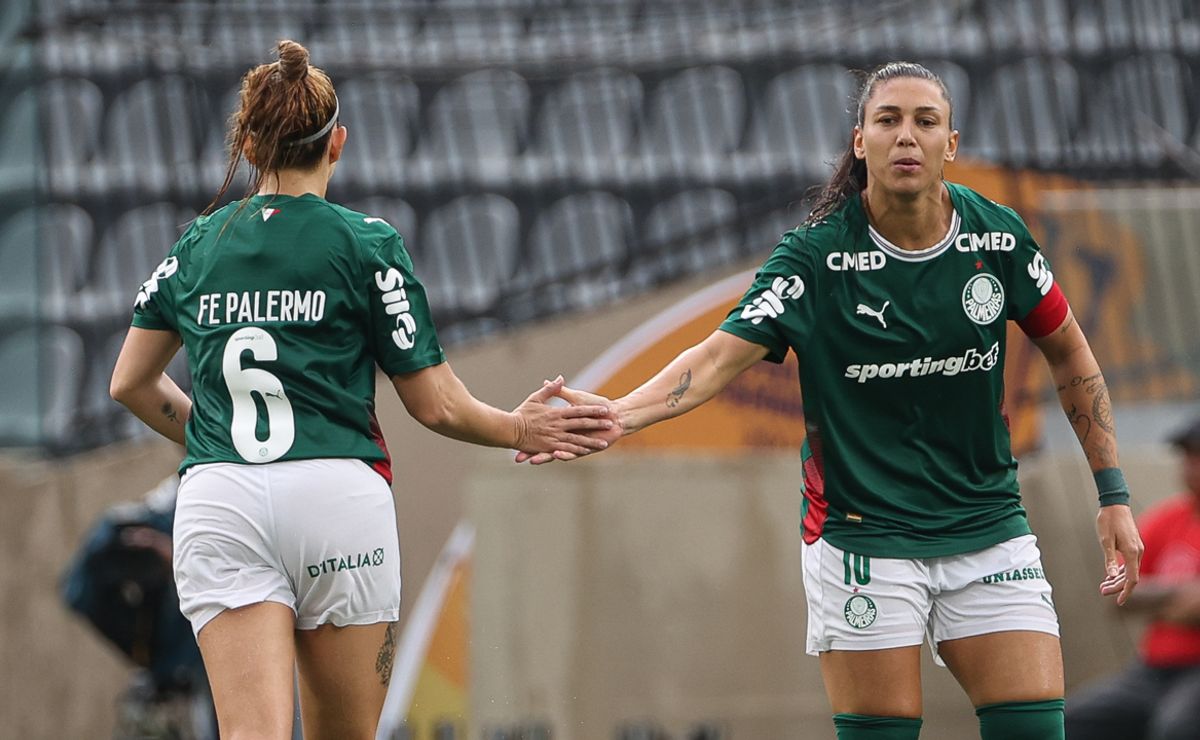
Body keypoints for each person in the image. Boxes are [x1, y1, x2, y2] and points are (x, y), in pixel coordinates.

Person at [522, 61, 1144, 740]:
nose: (906, 136)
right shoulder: (816, 261)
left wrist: (1112, 494)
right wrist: (619, 414)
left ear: (951, 145)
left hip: (987, 526)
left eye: (925, 122)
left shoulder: (997, 239)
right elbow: (714, 359)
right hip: (862, 538)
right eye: (889, 120)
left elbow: (1071, 355)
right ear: (860, 142)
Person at [109, 40, 612, 740]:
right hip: (334, 502)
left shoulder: (195, 245)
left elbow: (129, 383)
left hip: (221, 499)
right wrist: (519, 429)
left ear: (249, 144)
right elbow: (433, 403)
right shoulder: (367, 244)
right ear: (337, 143)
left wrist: (208, 433)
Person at [1064, 417, 1200, 740]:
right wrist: (1179, 595)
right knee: (1070, 720)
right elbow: (1118, 589)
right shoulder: (1167, 519)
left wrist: (1158, 598)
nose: (1190, 466)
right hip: (1153, 670)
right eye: (1187, 456)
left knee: (1176, 728)